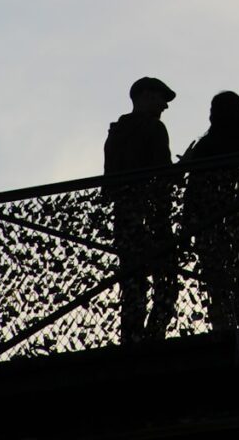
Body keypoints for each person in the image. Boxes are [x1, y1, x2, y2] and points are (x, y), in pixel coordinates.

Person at [180, 91, 239, 330]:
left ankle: (221, 327)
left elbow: (194, 190)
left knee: (216, 284)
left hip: (210, 226)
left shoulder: (205, 147)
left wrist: (187, 225)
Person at [104, 77, 178, 344]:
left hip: (125, 217)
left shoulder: (116, 131)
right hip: (153, 216)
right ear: (145, 96)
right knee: (167, 282)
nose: (165, 107)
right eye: (161, 99)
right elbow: (162, 176)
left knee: (133, 283)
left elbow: (108, 183)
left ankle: (132, 340)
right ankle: (154, 338)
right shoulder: (155, 128)